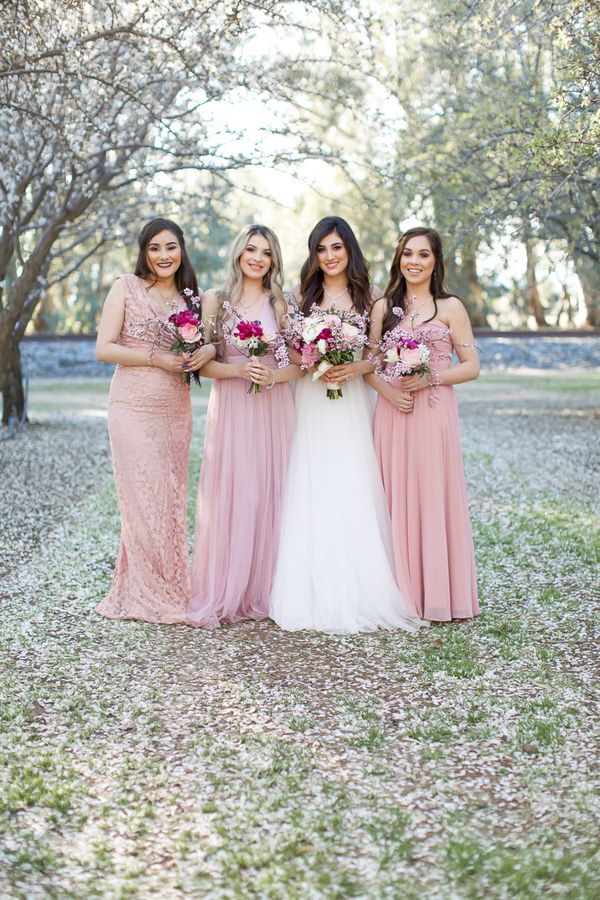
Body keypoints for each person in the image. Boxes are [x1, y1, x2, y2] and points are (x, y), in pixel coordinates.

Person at [269, 216, 424, 633]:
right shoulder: (299, 295)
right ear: (313, 254)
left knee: (352, 479)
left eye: (336, 247)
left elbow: (376, 355)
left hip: (351, 399)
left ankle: (362, 588)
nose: (330, 256)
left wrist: (353, 367)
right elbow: (290, 351)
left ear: (349, 250)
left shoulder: (371, 297)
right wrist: (312, 359)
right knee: (311, 480)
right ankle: (309, 588)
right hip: (312, 399)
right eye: (321, 248)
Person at [95, 217, 215, 623]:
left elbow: (206, 344)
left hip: (174, 408)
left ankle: (163, 584)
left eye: (171, 247)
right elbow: (104, 348)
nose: (164, 256)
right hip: (131, 406)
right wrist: (155, 358)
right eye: (155, 248)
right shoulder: (125, 287)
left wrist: (206, 351)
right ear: (144, 252)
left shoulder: (190, 300)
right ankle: (147, 593)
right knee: (142, 498)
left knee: (168, 498)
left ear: (182, 250)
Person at [186, 224, 301, 627]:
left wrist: (271, 376)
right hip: (233, 405)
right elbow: (206, 361)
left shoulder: (281, 304)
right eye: (251, 249)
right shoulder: (215, 301)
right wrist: (239, 369)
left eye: (266, 252)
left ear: (273, 261)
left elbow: (299, 366)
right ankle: (229, 588)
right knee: (236, 493)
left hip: (272, 407)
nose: (257, 258)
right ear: (238, 253)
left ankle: (267, 589)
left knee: (270, 491)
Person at [369, 226, 480, 621]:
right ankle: (398, 595)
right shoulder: (382, 308)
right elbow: (369, 366)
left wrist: (431, 377)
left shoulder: (451, 308)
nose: (414, 262)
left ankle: (436, 593)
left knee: (433, 493)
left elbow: (471, 368)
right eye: (407, 254)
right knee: (392, 496)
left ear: (436, 261)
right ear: (398, 259)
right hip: (393, 411)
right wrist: (387, 391)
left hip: (433, 412)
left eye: (423, 255)